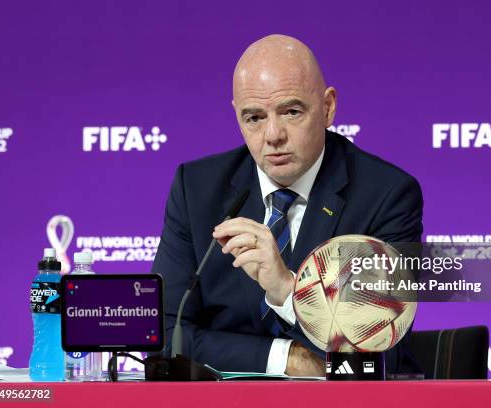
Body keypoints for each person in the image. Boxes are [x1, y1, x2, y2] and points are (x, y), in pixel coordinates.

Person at [151, 34, 423, 376]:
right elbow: (163, 336)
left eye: (291, 111)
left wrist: (287, 289)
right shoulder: (196, 189)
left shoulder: (385, 195)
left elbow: (378, 352)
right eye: (254, 118)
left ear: (327, 108)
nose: (273, 135)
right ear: (237, 116)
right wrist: (289, 360)